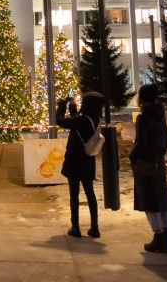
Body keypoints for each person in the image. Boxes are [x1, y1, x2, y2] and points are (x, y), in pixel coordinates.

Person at [129, 82, 167, 252]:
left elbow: (141, 143)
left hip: (146, 163)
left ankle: (158, 237)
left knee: (149, 200)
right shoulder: (160, 116)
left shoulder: (143, 117)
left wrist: (132, 157)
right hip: (158, 161)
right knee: (161, 199)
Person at [55, 91, 105, 238]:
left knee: (74, 194)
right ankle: (94, 227)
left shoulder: (81, 120)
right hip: (88, 160)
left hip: (74, 160)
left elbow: (61, 121)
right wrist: (73, 108)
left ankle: (75, 226)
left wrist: (62, 106)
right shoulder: (94, 119)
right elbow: (77, 120)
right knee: (90, 193)